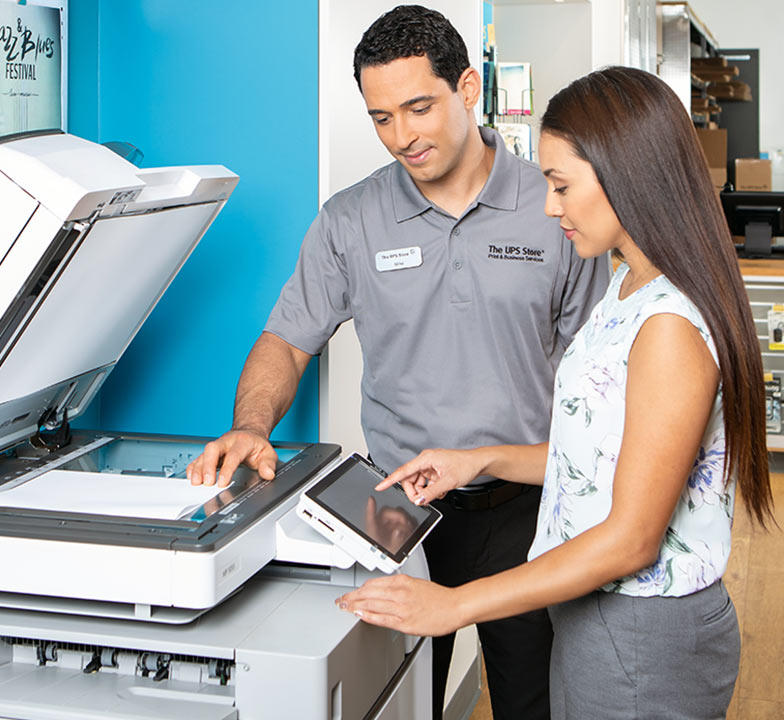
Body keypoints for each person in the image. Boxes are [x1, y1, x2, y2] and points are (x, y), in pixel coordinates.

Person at [187, 6, 609, 719]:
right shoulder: (350, 220)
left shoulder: (554, 208)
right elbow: (287, 341)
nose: (402, 137)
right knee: (395, 703)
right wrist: (252, 424)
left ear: (468, 88)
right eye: (381, 117)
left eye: (419, 108)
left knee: (533, 703)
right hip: (396, 510)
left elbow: (595, 375)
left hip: (529, 512)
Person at [337, 66, 775, 720]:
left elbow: (631, 539)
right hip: (596, 617)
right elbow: (603, 460)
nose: (549, 206)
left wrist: (456, 605)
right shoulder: (628, 288)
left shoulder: (668, 328)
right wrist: (480, 459)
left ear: (629, 175)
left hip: (641, 637)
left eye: (562, 184)